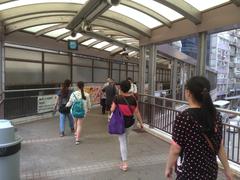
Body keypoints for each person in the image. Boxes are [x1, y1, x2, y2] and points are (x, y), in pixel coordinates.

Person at [165, 76, 233, 180]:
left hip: (189, 173)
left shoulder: (184, 117)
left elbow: (175, 149)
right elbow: (219, 146)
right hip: (210, 172)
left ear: (188, 93)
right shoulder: (216, 116)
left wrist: (168, 167)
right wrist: (227, 169)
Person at [110, 80, 144, 171]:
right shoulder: (133, 99)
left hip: (121, 123)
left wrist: (116, 107)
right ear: (129, 88)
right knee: (124, 138)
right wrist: (141, 123)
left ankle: (124, 164)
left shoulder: (117, 98)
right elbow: (136, 112)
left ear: (120, 88)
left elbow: (112, 109)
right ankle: (123, 154)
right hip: (130, 123)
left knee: (122, 141)